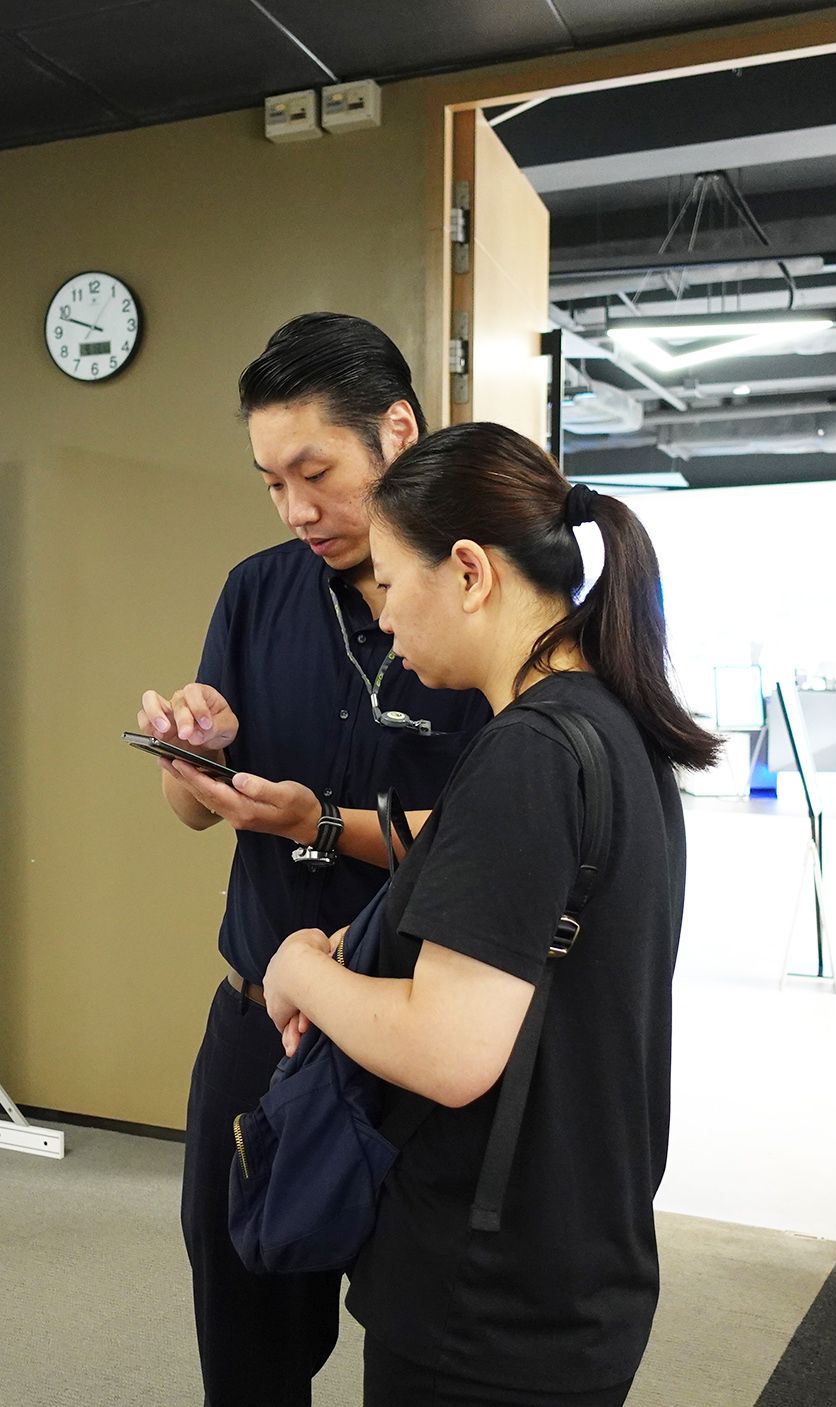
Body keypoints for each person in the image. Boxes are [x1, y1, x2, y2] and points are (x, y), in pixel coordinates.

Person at [260, 422, 720, 1406]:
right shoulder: (610, 725)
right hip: (571, 1254)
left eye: (391, 582)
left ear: (468, 572)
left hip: (488, 1294)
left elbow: (449, 1051)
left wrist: (298, 970)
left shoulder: (527, 754)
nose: (384, 615)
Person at [133, 313, 491, 1405]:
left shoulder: (476, 601)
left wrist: (317, 822)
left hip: (416, 1037)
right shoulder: (257, 590)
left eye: (315, 473)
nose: (296, 509)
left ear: (397, 432)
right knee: (244, 1342)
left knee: (425, 1357)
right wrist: (194, 759)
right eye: (271, 484)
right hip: (259, 1023)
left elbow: (496, 833)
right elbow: (192, 816)